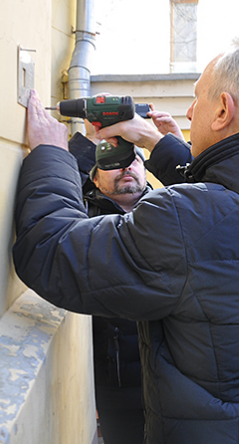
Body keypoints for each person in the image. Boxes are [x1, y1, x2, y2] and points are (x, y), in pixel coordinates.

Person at [13, 35, 239, 444]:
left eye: (198, 98)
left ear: (224, 110)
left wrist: (52, 156)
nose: (190, 110)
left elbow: (52, 252)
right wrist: (157, 143)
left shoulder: (183, 221)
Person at [68, 133, 149, 444]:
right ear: (96, 180)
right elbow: (65, 180)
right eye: (112, 164)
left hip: (180, 379)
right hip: (117, 386)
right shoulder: (84, 219)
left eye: (133, 160)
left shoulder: (172, 210)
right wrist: (90, 143)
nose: (126, 167)